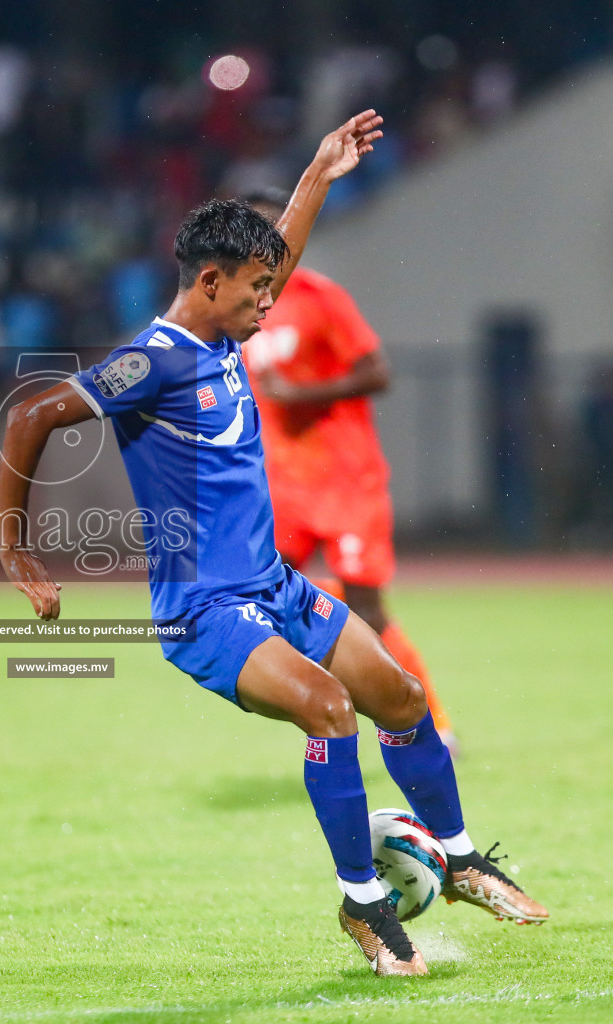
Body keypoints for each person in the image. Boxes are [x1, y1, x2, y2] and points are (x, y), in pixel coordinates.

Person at [0, 113, 546, 977]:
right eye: (258, 288)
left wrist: (320, 174)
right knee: (329, 709)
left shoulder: (226, 323)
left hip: (274, 586)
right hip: (205, 615)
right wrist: (17, 552)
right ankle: (365, 906)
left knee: (399, 697)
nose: (271, 299)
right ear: (209, 281)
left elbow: (276, 251)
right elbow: (31, 415)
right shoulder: (155, 361)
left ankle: (462, 855)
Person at [239, 187, 457, 751]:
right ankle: (327, 716)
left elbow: (378, 373)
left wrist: (304, 392)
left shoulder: (320, 298)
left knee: (366, 607)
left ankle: (429, 721)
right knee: (260, 601)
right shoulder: (238, 313)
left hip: (344, 480)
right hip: (282, 485)